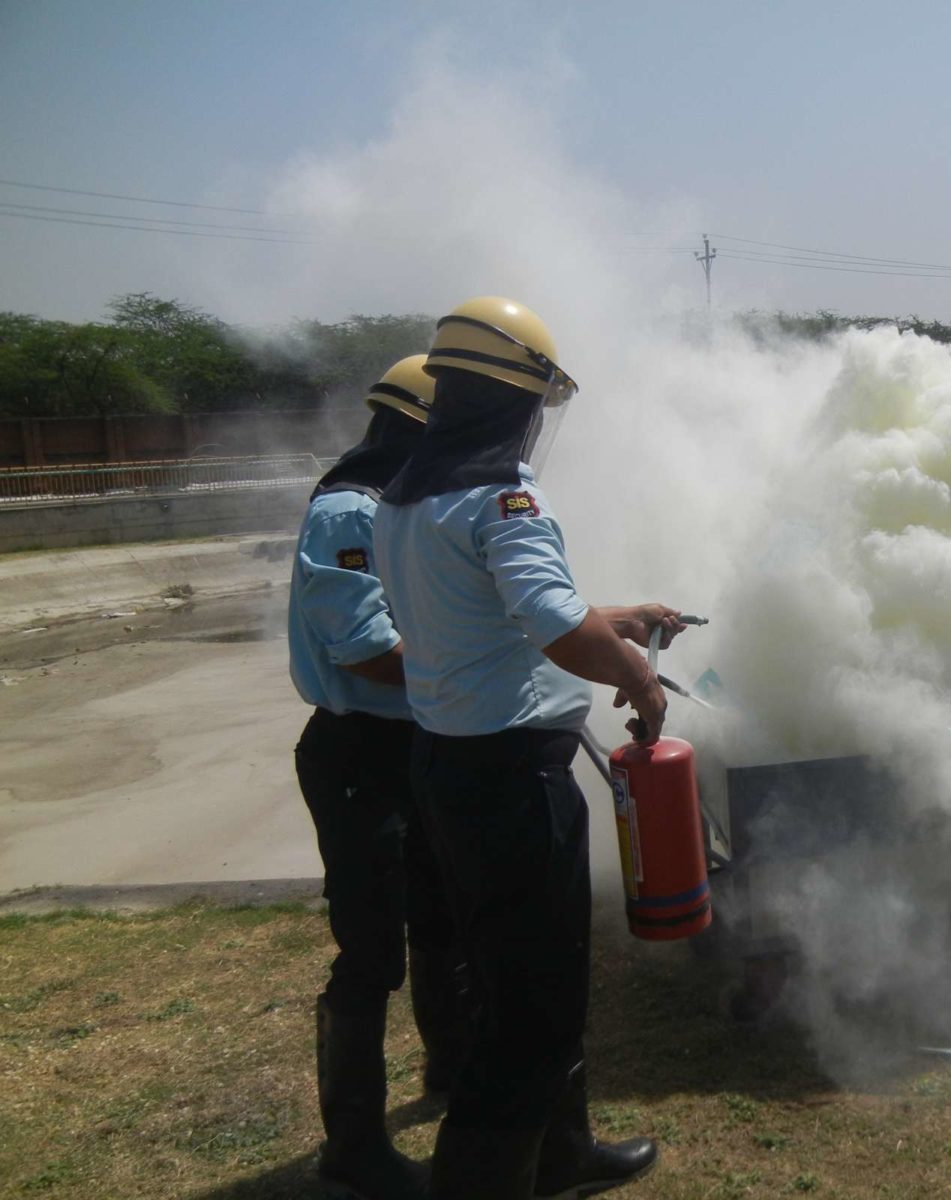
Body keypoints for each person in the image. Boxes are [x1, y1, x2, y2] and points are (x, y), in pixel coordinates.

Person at [373, 297, 684, 1200]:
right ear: (518, 401)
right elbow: (551, 624)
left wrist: (615, 621)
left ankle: (561, 1156)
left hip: (450, 771)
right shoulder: (503, 498)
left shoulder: (407, 500)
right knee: (532, 1014)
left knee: (515, 984)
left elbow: (489, 615)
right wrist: (640, 677)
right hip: (512, 787)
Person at [289, 354, 463, 1200]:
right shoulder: (348, 512)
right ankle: (351, 1143)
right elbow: (365, 650)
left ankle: (451, 1073)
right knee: (370, 953)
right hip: (361, 754)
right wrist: (470, 659)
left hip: (418, 744)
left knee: (442, 919)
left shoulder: (409, 511)